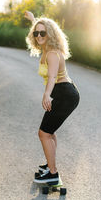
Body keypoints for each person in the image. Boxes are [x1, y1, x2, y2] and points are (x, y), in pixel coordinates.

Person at [24, 11, 80, 183]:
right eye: (36, 33)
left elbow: (53, 77)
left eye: (43, 33)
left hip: (65, 95)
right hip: (65, 94)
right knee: (49, 132)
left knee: (44, 133)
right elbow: (40, 28)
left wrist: (46, 94)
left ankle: (53, 174)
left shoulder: (52, 54)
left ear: (50, 34)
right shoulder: (46, 48)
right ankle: (50, 165)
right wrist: (34, 20)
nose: (39, 36)